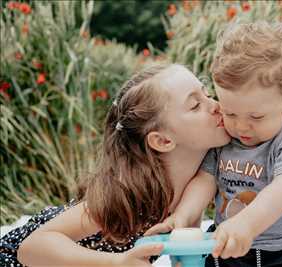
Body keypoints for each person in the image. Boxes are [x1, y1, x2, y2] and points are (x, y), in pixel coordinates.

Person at [0, 64, 231, 267]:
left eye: (207, 94)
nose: (215, 105)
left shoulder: (198, 183)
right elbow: (30, 248)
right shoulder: (130, 193)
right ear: (162, 140)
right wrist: (116, 262)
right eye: (195, 105)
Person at [146, 21, 282, 267]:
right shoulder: (225, 133)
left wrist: (247, 224)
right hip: (227, 243)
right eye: (230, 113)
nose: (240, 127)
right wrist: (182, 216)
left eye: (256, 117)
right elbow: (206, 180)